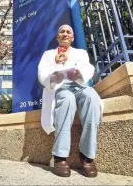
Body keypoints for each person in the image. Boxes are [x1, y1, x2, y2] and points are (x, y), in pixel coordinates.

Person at [38, 25, 103, 178]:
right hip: (60, 88)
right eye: (62, 32)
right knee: (67, 99)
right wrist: (54, 74)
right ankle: (60, 157)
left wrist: (78, 73)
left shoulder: (80, 53)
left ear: (72, 37)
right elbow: (42, 74)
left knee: (92, 97)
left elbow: (87, 68)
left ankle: (87, 156)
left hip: (79, 86)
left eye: (68, 32)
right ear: (57, 37)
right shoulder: (48, 55)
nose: (65, 34)